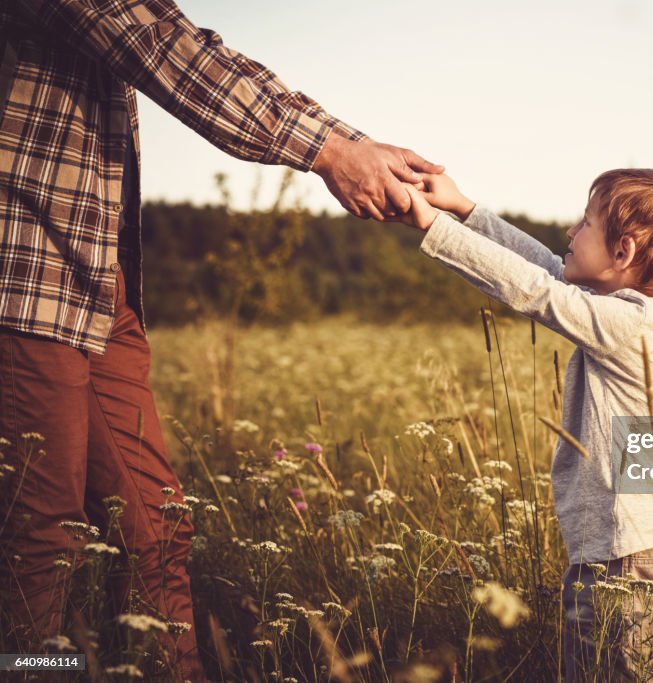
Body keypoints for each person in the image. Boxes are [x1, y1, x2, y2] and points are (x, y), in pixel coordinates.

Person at [0, 2, 441, 680]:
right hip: (22, 271)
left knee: (155, 523)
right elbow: (169, 50)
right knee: (39, 540)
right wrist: (332, 148)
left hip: (96, 275)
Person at [389, 169, 653, 681]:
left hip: (629, 563)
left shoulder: (629, 325)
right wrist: (466, 211)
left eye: (585, 223)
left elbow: (536, 290)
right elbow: (546, 269)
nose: (570, 231)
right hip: (625, 556)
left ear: (623, 251)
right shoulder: (625, 313)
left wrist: (435, 226)